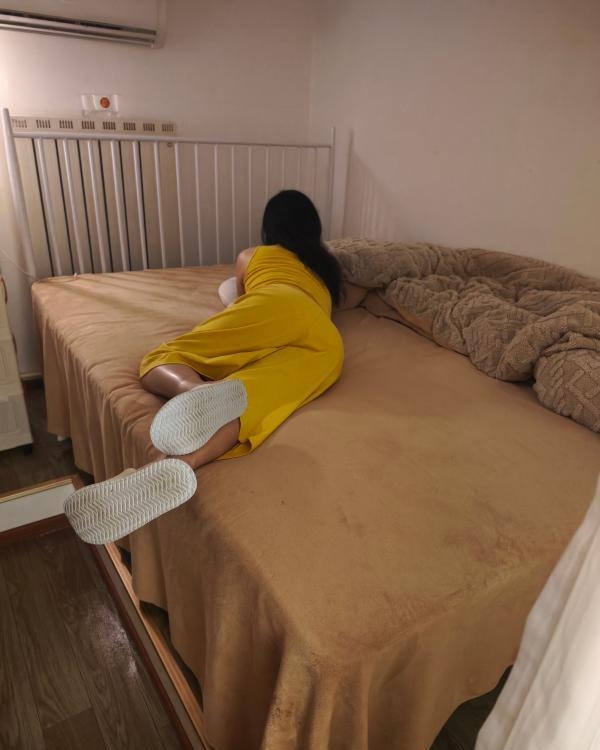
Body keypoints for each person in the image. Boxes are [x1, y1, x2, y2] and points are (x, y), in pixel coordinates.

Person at [64, 190, 345, 544]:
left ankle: (195, 390)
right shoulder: (326, 269)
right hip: (326, 341)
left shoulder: (253, 256)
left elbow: (236, 297)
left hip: (274, 303)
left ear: (270, 227)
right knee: (256, 398)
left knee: (160, 358)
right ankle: (182, 464)